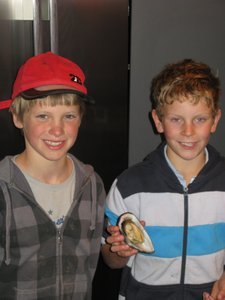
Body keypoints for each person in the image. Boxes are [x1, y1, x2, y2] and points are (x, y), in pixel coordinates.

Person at [101, 58, 225, 300]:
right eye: (176, 119)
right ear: (158, 120)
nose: (188, 131)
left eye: (199, 119)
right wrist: (120, 250)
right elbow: (109, 258)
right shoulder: (129, 186)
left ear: (215, 120)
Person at [0, 51, 106, 299]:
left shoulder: (92, 185)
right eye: (43, 116)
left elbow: (92, 263)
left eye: (68, 116)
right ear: (18, 117)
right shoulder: (3, 189)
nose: (57, 130)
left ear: (80, 118)